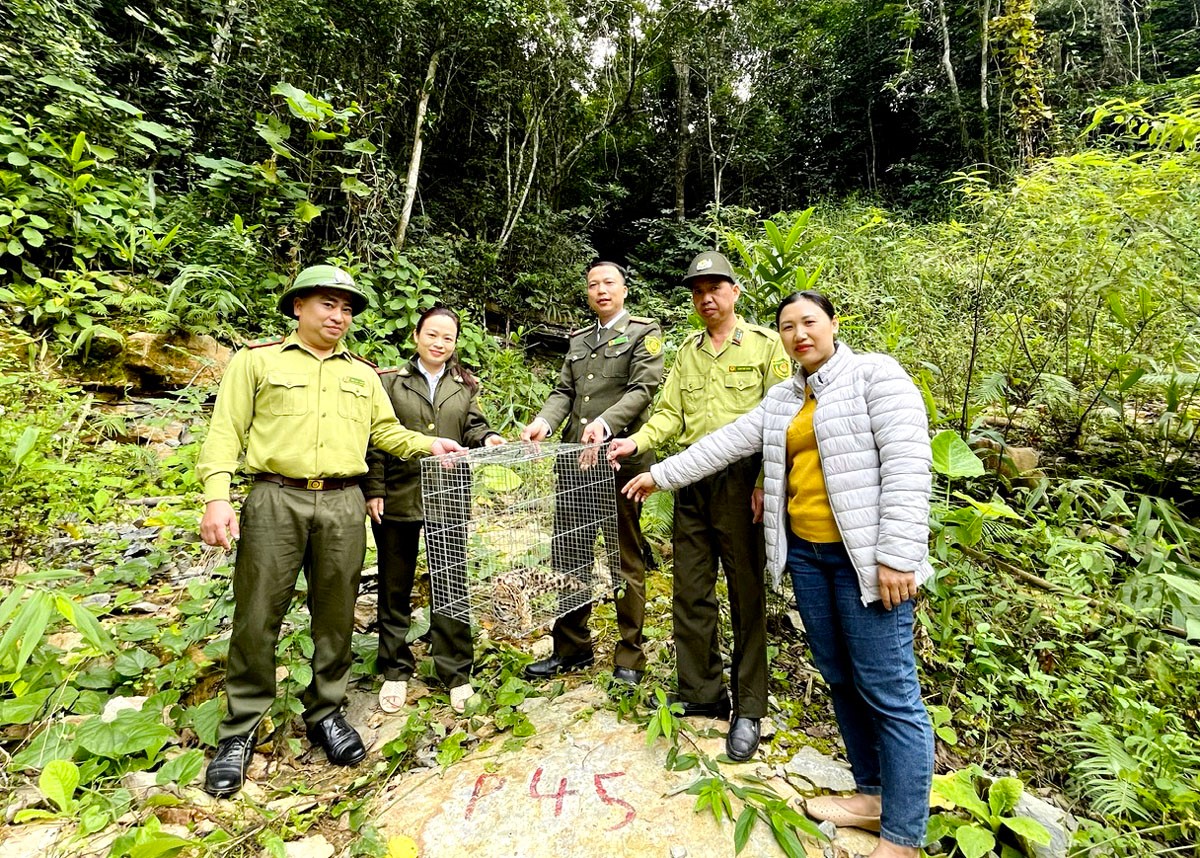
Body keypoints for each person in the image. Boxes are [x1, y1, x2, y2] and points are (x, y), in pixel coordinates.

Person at [620, 290, 935, 857]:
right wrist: (658, 476)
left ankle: (904, 835)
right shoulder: (786, 397)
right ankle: (871, 795)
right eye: (788, 327)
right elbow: (722, 443)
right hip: (810, 557)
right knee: (840, 675)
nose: (799, 335)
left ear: (834, 324)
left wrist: (898, 555)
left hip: (866, 560)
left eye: (809, 322)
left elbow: (910, 465)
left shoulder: (875, 376)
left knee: (891, 693)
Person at [196, 265, 465, 799]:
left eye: (346, 309)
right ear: (298, 306)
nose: (338, 316)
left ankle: (327, 712)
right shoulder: (257, 361)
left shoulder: (364, 375)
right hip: (275, 495)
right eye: (327, 304)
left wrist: (427, 445)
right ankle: (240, 727)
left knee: (337, 611)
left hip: (344, 502)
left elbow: (385, 431)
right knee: (257, 611)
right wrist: (217, 496)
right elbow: (225, 430)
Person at [608, 250, 791, 762]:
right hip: (690, 480)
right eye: (697, 290)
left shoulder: (765, 346)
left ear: (734, 291)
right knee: (690, 589)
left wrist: (762, 480)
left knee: (746, 592)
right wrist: (637, 441)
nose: (706, 298)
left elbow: (780, 418)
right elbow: (667, 412)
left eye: (715, 288)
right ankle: (702, 693)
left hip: (741, 484)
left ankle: (750, 708)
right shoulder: (686, 351)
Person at [520, 261, 664, 685]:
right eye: (593, 285)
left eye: (609, 283)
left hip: (620, 462)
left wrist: (604, 423)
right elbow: (563, 391)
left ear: (623, 289)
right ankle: (571, 648)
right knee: (569, 552)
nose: (601, 290)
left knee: (625, 558)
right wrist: (544, 423)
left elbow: (642, 389)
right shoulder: (580, 339)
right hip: (575, 462)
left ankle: (629, 658)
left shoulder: (643, 332)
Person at [364, 307, 505, 716]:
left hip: (448, 497)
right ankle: (395, 668)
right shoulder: (390, 382)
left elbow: (473, 427)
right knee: (394, 586)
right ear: (416, 336)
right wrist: (374, 488)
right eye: (432, 335)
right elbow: (374, 439)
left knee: (450, 584)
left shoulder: (464, 386)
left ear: (455, 343)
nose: (439, 344)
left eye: (447, 338)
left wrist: (490, 438)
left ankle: (456, 671)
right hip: (398, 496)